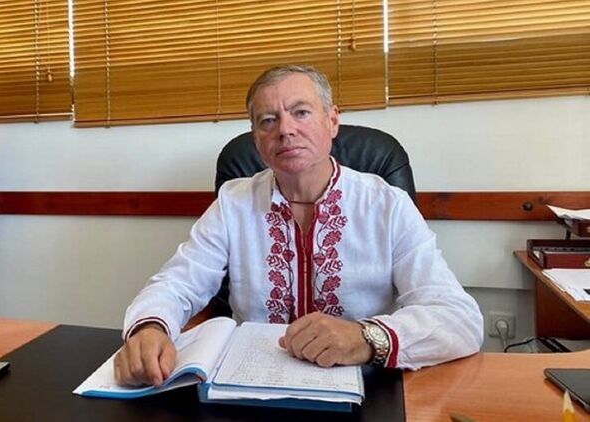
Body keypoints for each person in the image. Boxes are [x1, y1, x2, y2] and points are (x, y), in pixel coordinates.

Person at [114, 64, 483, 387]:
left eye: (301, 112)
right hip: (248, 385)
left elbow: (459, 318)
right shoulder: (233, 203)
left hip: (364, 388)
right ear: (256, 138)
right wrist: (150, 327)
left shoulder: (387, 205)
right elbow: (177, 282)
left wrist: (365, 338)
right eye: (268, 120)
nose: (285, 130)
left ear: (332, 121)